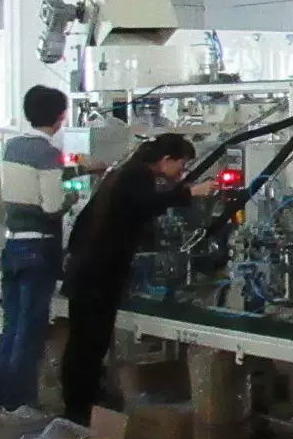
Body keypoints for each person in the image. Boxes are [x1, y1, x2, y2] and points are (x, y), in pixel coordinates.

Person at [60, 134, 212, 423]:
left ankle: (80, 403)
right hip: (100, 273)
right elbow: (146, 204)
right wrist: (189, 193)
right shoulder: (138, 176)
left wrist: (73, 254)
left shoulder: (119, 174)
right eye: (181, 166)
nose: (180, 173)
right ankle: (80, 410)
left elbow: (86, 220)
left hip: (85, 268)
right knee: (90, 344)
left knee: (82, 342)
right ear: (165, 160)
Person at [0, 86, 72, 422]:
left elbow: (26, 188)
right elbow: (52, 206)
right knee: (31, 328)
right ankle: (20, 403)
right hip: (39, 248)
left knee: (11, 325)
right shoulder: (48, 153)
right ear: (61, 116)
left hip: (12, 246)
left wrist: (76, 172)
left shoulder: (13, 147)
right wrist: (72, 195)